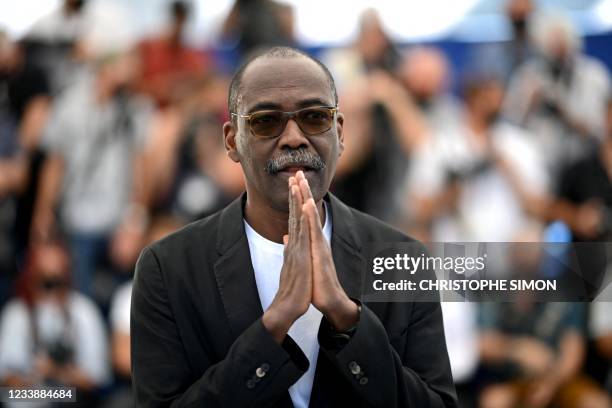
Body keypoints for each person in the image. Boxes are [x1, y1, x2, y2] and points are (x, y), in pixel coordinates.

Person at [131, 46, 456, 407]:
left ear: (340, 132)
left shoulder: (403, 258)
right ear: (231, 141)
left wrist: (349, 322)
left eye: (315, 117)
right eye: (266, 121)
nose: (293, 137)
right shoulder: (168, 268)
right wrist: (273, 328)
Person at [0, 241, 110, 407]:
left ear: (68, 276)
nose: (50, 290)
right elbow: (7, 380)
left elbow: (95, 379)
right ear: (30, 276)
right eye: (44, 281)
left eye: (57, 281)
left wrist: (55, 372)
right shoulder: (16, 314)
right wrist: (39, 384)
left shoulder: (84, 312)